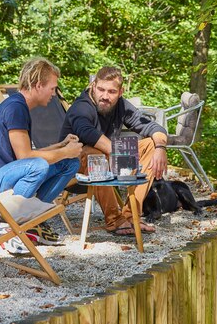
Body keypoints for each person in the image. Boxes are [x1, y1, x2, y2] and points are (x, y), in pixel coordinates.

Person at [0, 57, 82, 253]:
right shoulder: (16, 108)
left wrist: (61, 147)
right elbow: (26, 158)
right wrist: (63, 151)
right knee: (39, 165)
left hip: (4, 176)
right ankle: (7, 225)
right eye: (53, 88)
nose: (54, 94)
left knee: (70, 163)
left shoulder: (20, 106)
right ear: (39, 85)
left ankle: (31, 221)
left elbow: (24, 156)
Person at [60, 66, 168, 235]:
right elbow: (86, 131)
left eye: (111, 91)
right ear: (93, 86)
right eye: (101, 89)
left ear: (120, 92)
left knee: (150, 145)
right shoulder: (81, 106)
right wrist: (117, 152)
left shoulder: (121, 105)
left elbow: (151, 125)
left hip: (108, 161)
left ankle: (131, 216)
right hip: (73, 166)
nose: (105, 96)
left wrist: (161, 148)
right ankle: (114, 219)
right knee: (94, 153)